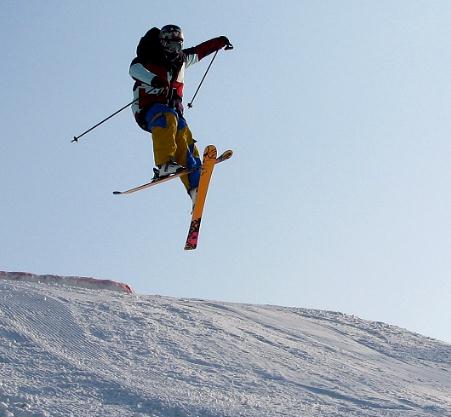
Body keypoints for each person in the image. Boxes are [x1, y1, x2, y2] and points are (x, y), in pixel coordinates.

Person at [129, 25, 232, 204]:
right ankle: (164, 163)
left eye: (178, 45)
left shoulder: (182, 59)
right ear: (162, 43)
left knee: (184, 136)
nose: (174, 50)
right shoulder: (149, 58)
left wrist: (220, 42)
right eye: (170, 45)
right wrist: (154, 80)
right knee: (167, 118)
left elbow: (200, 51)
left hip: (175, 112)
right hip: (149, 108)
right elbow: (134, 70)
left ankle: (195, 186)